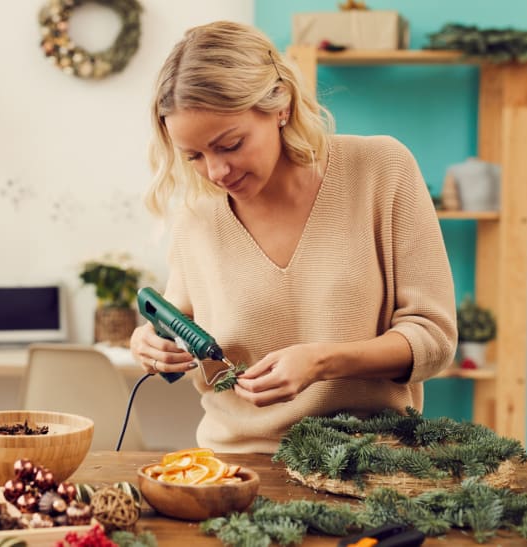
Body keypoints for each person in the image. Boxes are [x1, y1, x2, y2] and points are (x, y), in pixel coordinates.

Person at [129, 21, 457, 453]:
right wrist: (150, 344)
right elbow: (183, 333)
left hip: (370, 463)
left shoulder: (380, 170)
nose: (216, 172)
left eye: (230, 145)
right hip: (234, 468)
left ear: (280, 104)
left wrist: (322, 362)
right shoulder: (198, 216)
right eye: (194, 156)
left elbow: (434, 340)